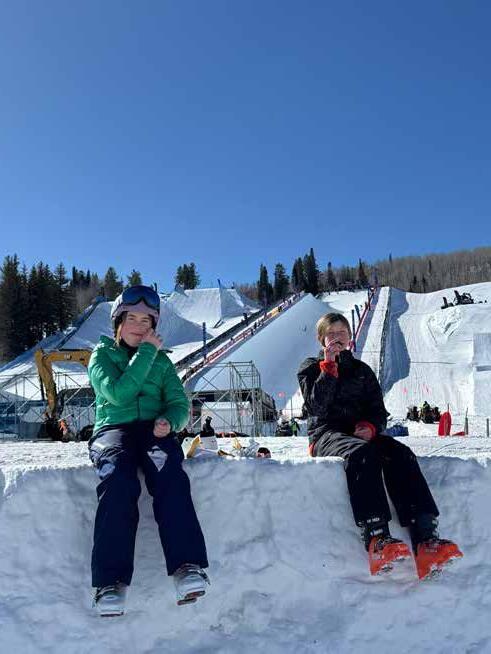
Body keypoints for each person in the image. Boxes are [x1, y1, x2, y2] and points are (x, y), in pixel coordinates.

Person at [297, 312, 462, 579]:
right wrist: (328, 368)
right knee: (362, 454)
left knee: (400, 453)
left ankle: (426, 538)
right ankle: (377, 537)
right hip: (326, 434)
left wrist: (371, 427)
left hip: (360, 435)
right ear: (321, 339)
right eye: (331, 334)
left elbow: (378, 411)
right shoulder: (310, 367)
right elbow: (316, 407)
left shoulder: (362, 371)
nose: (337, 338)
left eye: (342, 333)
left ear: (350, 337)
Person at [87, 285, 209, 616]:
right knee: (118, 479)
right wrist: (146, 354)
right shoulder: (101, 356)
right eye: (132, 319)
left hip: (153, 432)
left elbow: (179, 403)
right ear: (118, 323)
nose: (140, 327)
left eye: (147, 321)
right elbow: (118, 395)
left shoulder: (162, 362)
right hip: (113, 431)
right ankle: (110, 582)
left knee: (168, 473)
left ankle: (187, 566)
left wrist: (171, 421)